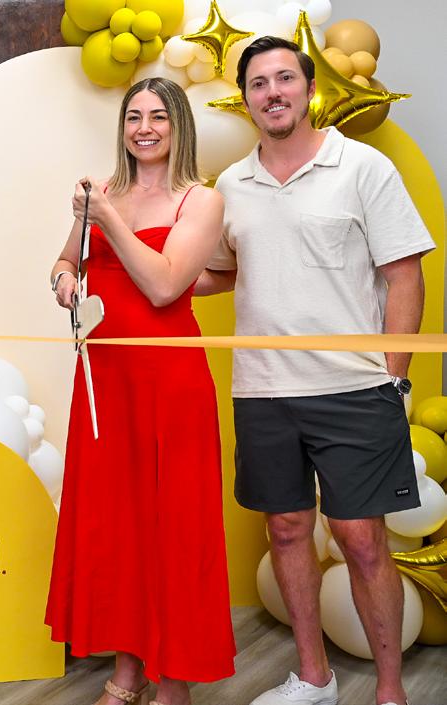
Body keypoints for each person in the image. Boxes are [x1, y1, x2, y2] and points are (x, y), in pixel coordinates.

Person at [197, 36, 433, 705]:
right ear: (245, 100)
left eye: (283, 79)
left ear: (307, 89)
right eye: (258, 84)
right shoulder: (230, 186)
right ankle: (313, 678)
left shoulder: (361, 167)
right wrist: (135, 280)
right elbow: (222, 271)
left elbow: (404, 275)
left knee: (362, 541)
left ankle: (390, 691)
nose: (272, 93)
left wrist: (393, 377)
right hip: (263, 390)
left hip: (354, 388)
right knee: (286, 530)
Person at [45, 77, 235, 705]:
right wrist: (65, 279)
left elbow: (163, 285)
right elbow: (65, 261)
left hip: (168, 383)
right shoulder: (103, 193)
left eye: (158, 116)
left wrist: (106, 220)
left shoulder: (200, 201)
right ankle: (127, 676)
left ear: (179, 125)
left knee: (172, 530)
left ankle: (173, 681)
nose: (144, 128)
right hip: (105, 381)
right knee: (120, 528)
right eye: (133, 117)